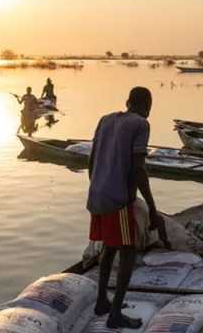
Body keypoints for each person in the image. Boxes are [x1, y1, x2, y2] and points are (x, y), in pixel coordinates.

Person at [87, 87, 165, 329]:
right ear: (148, 106)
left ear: (127, 102)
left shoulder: (105, 119)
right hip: (118, 198)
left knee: (109, 247)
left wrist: (99, 185)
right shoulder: (141, 124)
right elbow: (138, 169)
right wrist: (152, 208)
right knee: (128, 250)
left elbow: (91, 160)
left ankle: (102, 301)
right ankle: (114, 315)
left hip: (97, 194)